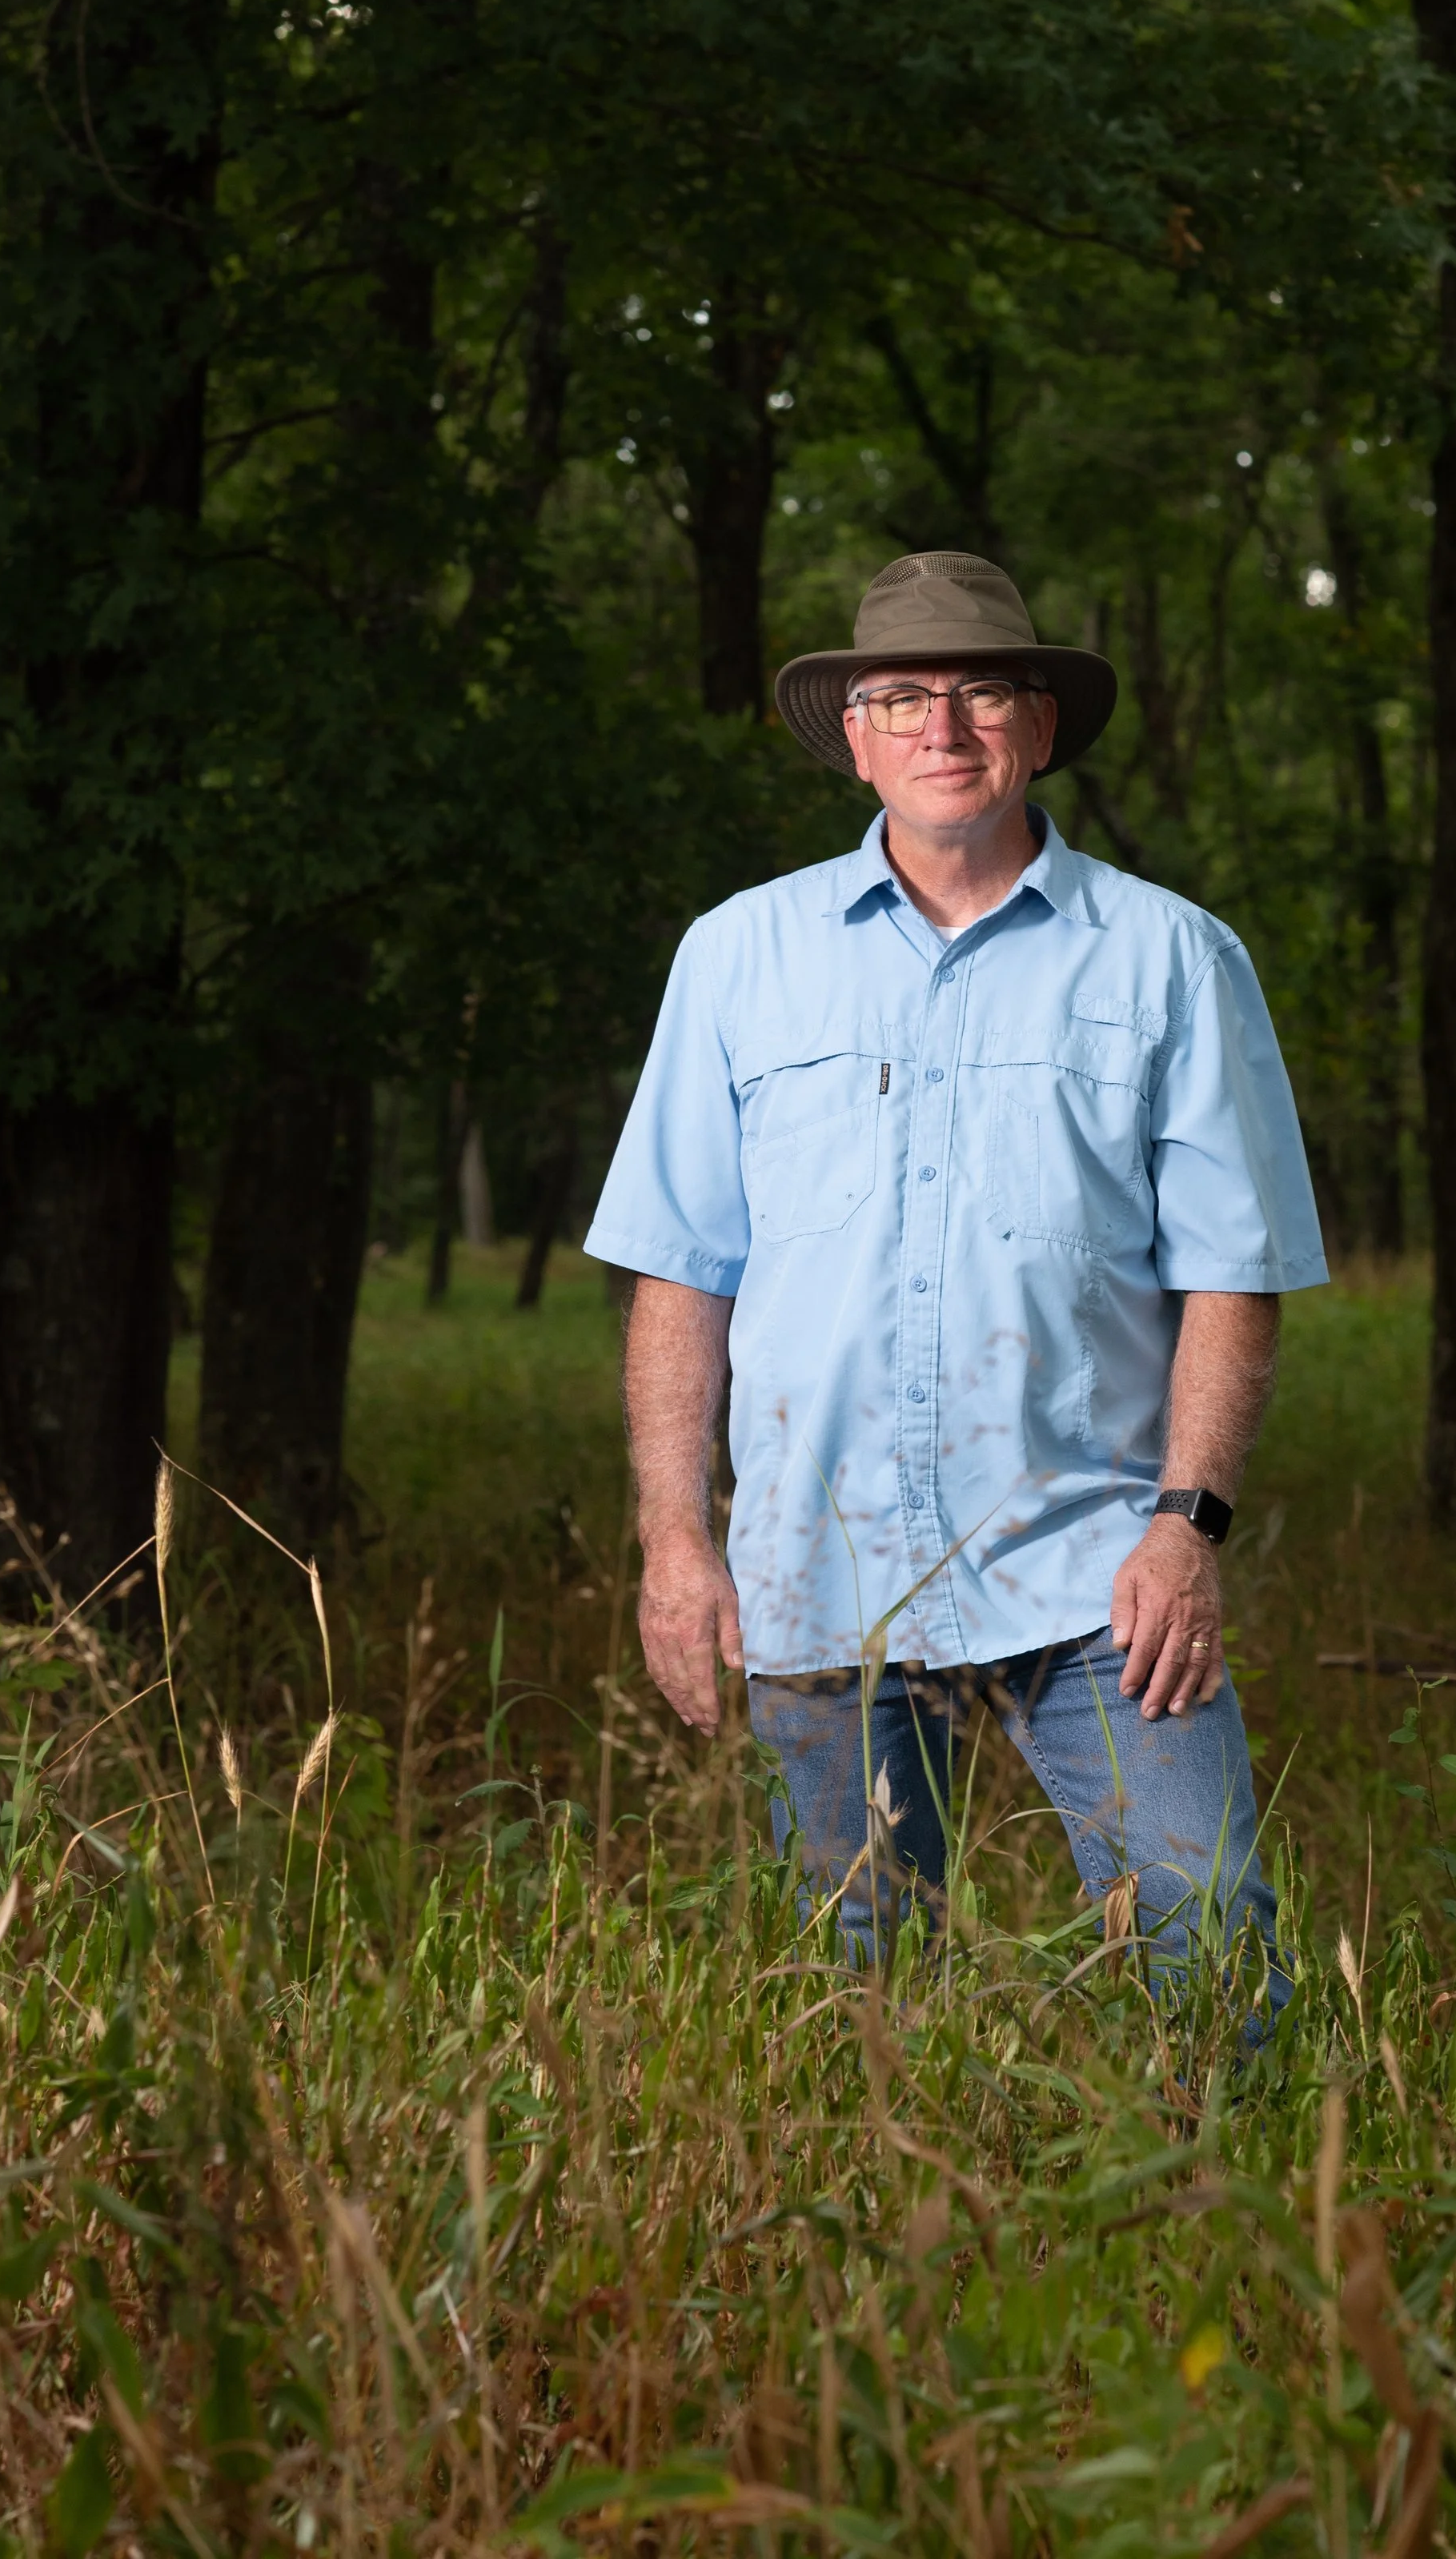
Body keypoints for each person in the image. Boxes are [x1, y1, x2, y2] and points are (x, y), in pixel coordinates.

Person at [586, 551, 1326, 2005]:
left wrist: (1190, 1525)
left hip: (1094, 1567)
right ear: (853, 735)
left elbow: (1235, 1277)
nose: (945, 724)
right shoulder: (738, 959)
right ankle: (900, 2228)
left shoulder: (1175, 959)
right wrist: (676, 1543)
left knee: (1213, 1925)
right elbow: (681, 1278)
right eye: (903, 694)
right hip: (819, 1564)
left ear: (1039, 726)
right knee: (862, 1974)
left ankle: (1231, 2222)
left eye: (983, 688)